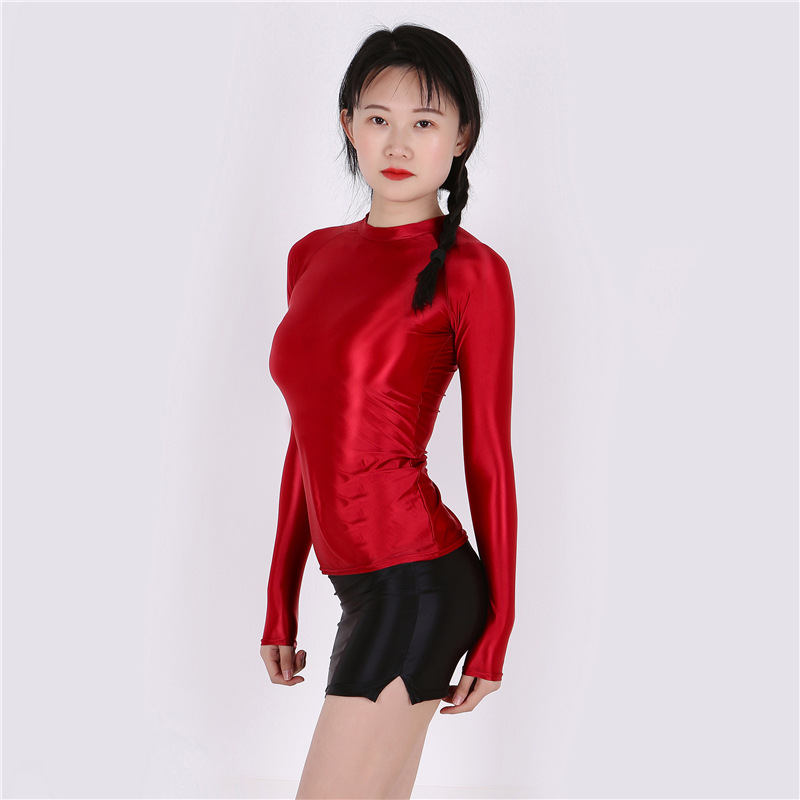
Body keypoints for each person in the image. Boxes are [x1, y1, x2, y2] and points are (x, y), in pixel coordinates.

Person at [259, 22, 518, 800]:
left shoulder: (473, 272)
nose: (398, 142)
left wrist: (499, 626)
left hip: (421, 583)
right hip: (357, 587)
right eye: (378, 118)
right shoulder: (310, 256)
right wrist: (279, 599)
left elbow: (489, 457)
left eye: (425, 122)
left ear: (461, 138)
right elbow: (306, 441)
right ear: (349, 124)